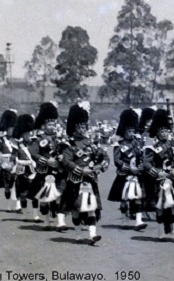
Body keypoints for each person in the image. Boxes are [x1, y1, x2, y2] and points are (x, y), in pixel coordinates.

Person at [59, 101, 110, 245]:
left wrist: (101, 165)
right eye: (80, 126)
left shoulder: (91, 143)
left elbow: (104, 156)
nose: (83, 129)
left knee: (92, 207)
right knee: (76, 209)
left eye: (84, 126)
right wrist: (81, 170)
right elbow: (66, 162)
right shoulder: (69, 144)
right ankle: (77, 233)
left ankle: (93, 234)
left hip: (90, 180)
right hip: (75, 180)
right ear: (75, 128)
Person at [143, 109, 174, 243]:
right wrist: (158, 172)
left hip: (173, 180)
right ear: (157, 132)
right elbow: (146, 163)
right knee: (160, 208)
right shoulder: (152, 146)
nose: (165, 133)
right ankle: (160, 232)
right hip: (159, 181)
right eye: (162, 131)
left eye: (166, 131)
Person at [108, 108, 147, 230]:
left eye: (132, 130)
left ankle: (138, 221)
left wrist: (140, 166)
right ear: (124, 131)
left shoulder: (138, 143)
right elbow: (117, 160)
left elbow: (141, 156)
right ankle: (124, 220)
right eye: (128, 131)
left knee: (138, 198)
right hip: (124, 174)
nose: (131, 133)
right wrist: (129, 168)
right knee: (124, 198)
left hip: (136, 174)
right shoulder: (119, 144)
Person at [28, 102, 66, 230]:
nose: (52, 126)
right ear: (43, 125)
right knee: (44, 199)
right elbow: (33, 153)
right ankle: (46, 222)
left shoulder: (59, 137)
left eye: (53, 124)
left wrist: (62, 156)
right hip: (45, 171)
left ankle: (60, 222)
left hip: (58, 170)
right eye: (49, 124)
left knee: (59, 195)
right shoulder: (38, 138)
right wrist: (45, 160)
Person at [11, 114, 41, 222]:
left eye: (29, 133)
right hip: (21, 169)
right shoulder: (17, 144)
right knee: (23, 194)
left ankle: (35, 215)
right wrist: (13, 166)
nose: (28, 135)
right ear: (22, 134)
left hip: (33, 169)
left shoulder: (35, 143)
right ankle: (24, 214)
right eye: (26, 133)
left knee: (35, 194)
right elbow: (13, 156)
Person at [0, 109, 21, 213]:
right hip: (5, 165)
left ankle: (18, 205)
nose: (11, 130)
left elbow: (18, 152)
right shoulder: (0, 140)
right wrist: (1, 163)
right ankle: (8, 196)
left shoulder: (16, 140)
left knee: (17, 183)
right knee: (8, 186)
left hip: (15, 163)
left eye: (13, 128)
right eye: (10, 128)